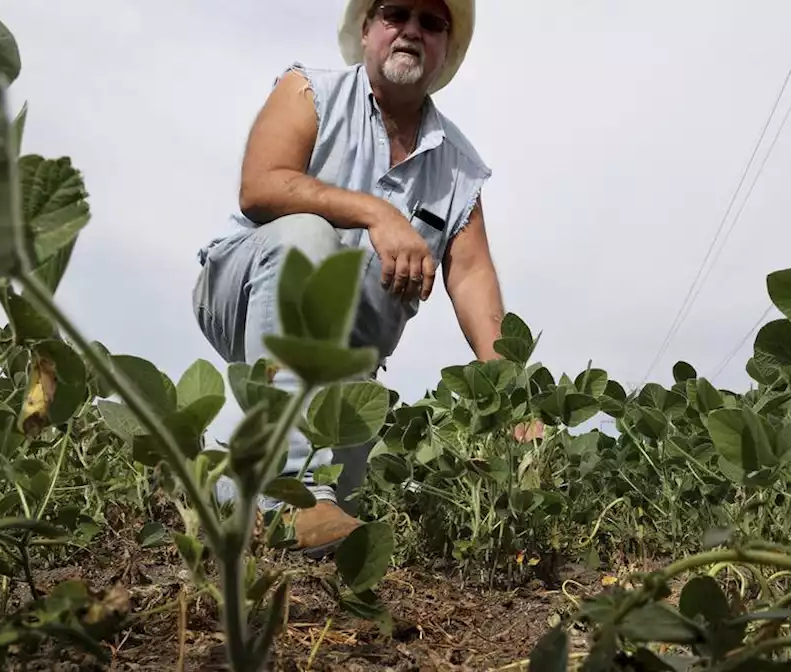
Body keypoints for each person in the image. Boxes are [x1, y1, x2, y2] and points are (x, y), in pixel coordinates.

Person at [191, 0, 539, 559]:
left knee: (330, 515)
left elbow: (472, 272)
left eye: (431, 22)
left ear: (446, 48)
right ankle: (291, 495)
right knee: (304, 237)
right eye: (395, 12)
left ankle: (235, 491)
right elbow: (260, 185)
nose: (411, 30)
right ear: (367, 27)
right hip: (242, 286)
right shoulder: (309, 90)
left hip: (347, 360)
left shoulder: (460, 168)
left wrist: (512, 394)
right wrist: (379, 213)